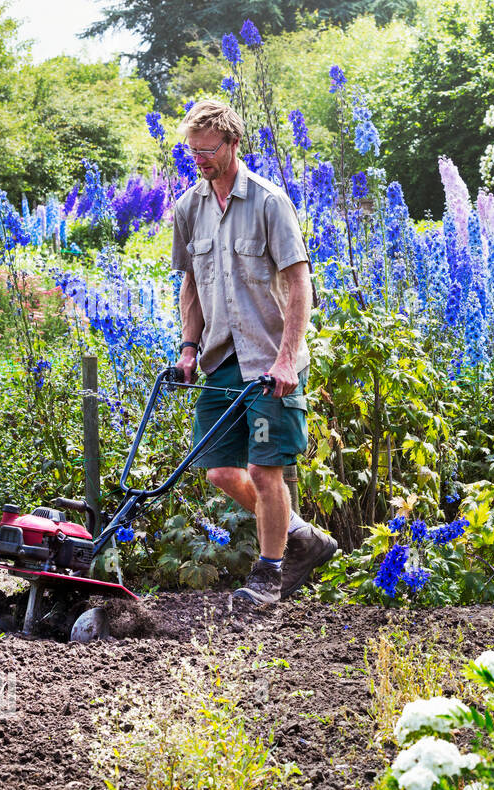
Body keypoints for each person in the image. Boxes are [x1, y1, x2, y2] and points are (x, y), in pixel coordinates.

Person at [170, 99, 337, 605]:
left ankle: (269, 573)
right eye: (192, 151)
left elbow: (300, 283)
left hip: (269, 359)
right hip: (220, 357)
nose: (199, 159)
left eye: (208, 150)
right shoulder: (188, 209)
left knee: (266, 470)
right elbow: (191, 286)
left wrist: (289, 358)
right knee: (220, 469)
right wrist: (188, 347)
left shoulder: (269, 202)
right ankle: (302, 539)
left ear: (233, 143)